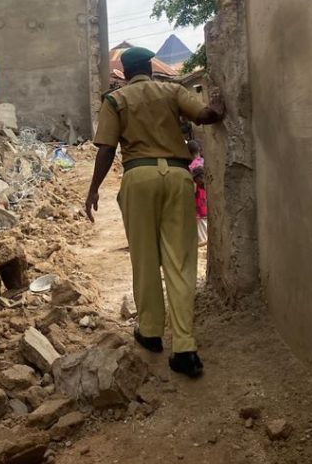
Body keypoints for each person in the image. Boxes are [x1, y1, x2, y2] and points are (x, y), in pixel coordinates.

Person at [85, 46, 224, 377]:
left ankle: (150, 333)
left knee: (145, 259)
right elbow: (205, 116)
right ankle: (185, 349)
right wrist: (218, 106)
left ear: (125, 72)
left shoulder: (115, 101)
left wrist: (92, 190)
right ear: (150, 66)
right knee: (180, 262)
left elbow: (106, 149)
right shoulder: (172, 90)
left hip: (139, 177)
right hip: (178, 177)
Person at [193, 164, 208, 246]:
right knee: (204, 239)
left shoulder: (207, 186)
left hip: (205, 215)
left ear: (201, 177)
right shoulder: (197, 187)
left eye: (197, 179)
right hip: (201, 216)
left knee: (205, 240)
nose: (196, 182)